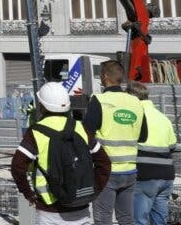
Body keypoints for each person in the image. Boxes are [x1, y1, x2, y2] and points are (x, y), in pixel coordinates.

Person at [11, 82, 111, 224]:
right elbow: (104, 163)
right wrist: (94, 189)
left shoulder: (36, 132)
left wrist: (28, 193)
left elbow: (17, 167)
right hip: (81, 208)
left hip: (49, 210)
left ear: (42, 106)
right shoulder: (80, 128)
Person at [85, 61, 145, 225]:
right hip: (130, 170)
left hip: (106, 170)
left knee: (103, 219)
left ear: (105, 77)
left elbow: (86, 135)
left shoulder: (99, 100)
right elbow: (143, 135)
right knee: (126, 218)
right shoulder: (136, 102)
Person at [128, 81, 176, 225]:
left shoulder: (133, 117)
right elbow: (172, 146)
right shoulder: (163, 117)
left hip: (145, 174)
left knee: (139, 220)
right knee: (160, 220)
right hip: (166, 176)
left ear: (131, 98)